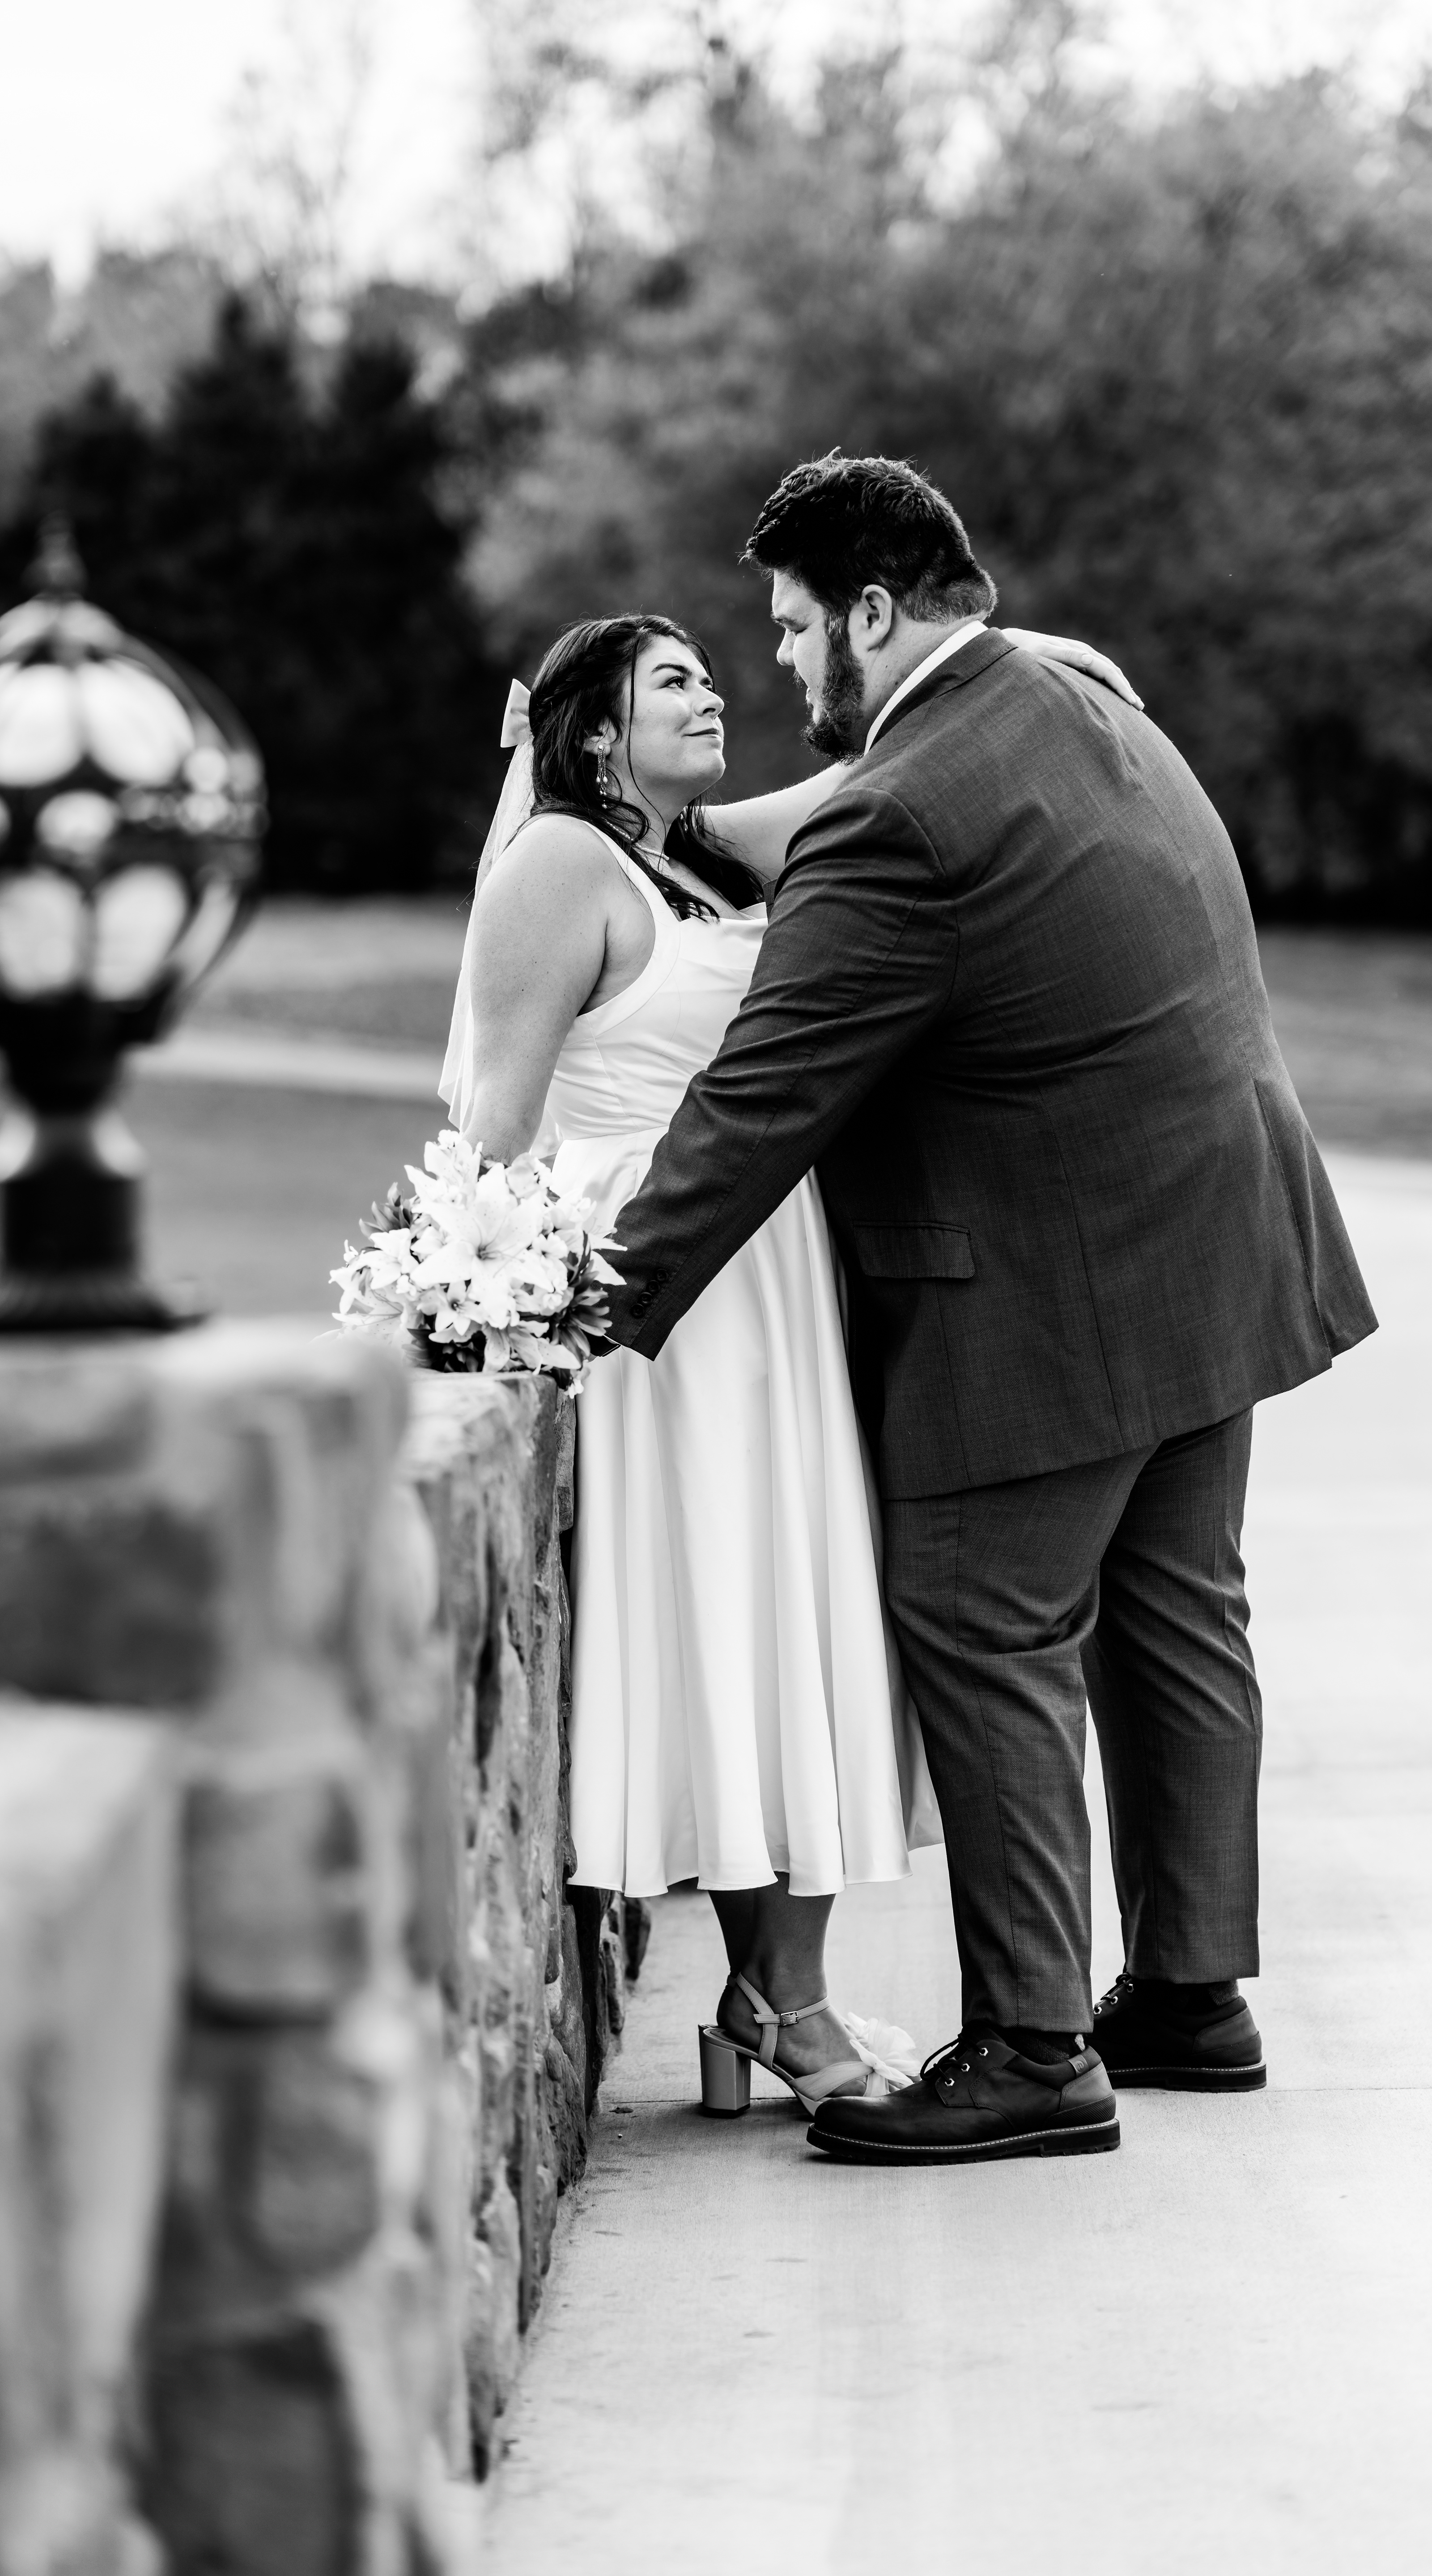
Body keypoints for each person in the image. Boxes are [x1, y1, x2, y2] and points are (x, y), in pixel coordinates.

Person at [598, 453, 1377, 2165]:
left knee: (983, 1618)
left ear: (875, 614)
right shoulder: (1080, 706)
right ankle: (1189, 1996)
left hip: (1056, 1285)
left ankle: (1034, 2048)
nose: (789, 673)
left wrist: (591, 1302)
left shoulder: (905, 807)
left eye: (800, 634)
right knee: (1177, 1618)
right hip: (1217, 1246)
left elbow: (760, 1099)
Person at [440, 603, 1142, 2117]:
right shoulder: (562, 861)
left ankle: (772, 1995)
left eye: (712, 670)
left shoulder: (697, 855)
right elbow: (493, 1116)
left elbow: (878, 772)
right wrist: (457, 1295)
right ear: (596, 731)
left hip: (773, 1285)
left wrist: (1041, 674)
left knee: (791, 1621)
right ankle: (783, 2000)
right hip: (665, 1299)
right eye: (674, 679)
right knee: (732, 1623)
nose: (716, 694)